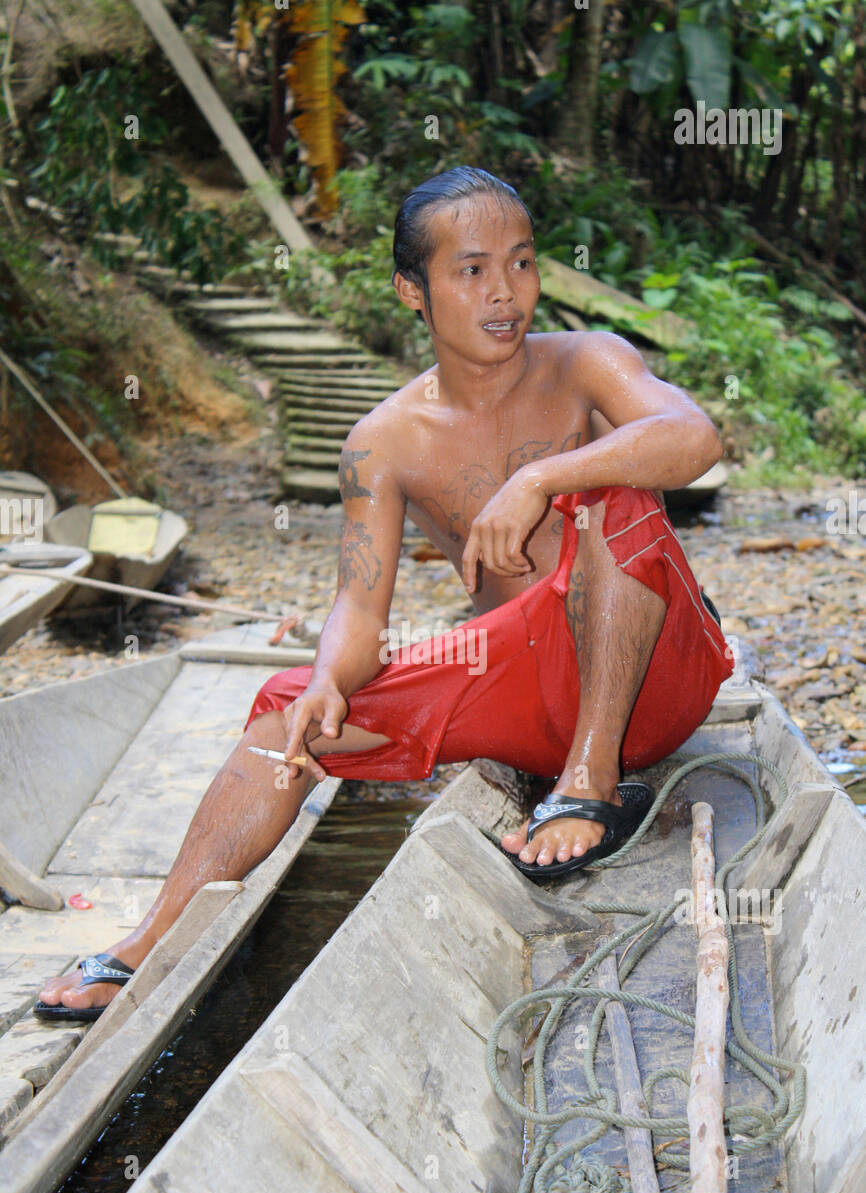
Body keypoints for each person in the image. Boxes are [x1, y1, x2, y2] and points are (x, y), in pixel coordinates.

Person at [36, 165, 732, 1022]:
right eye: (471, 271)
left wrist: (544, 478)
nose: (504, 293)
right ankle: (151, 937)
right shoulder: (384, 442)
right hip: (525, 689)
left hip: (650, 678)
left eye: (521, 262)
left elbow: (694, 435)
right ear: (413, 290)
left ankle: (589, 785)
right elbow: (359, 613)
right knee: (290, 712)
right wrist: (331, 676)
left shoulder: (587, 363)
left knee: (613, 501)